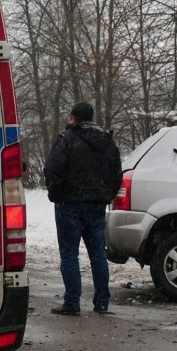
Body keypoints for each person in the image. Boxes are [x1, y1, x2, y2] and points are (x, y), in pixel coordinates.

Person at [44, 101, 122, 315]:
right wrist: (107, 194)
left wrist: (56, 194)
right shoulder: (107, 141)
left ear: (73, 117)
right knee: (98, 253)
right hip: (96, 205)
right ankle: (102, 302)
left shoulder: (67, 139)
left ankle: (72, 302)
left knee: (69, 254)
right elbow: (117, 173)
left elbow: (52, 169)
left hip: (69, 204)